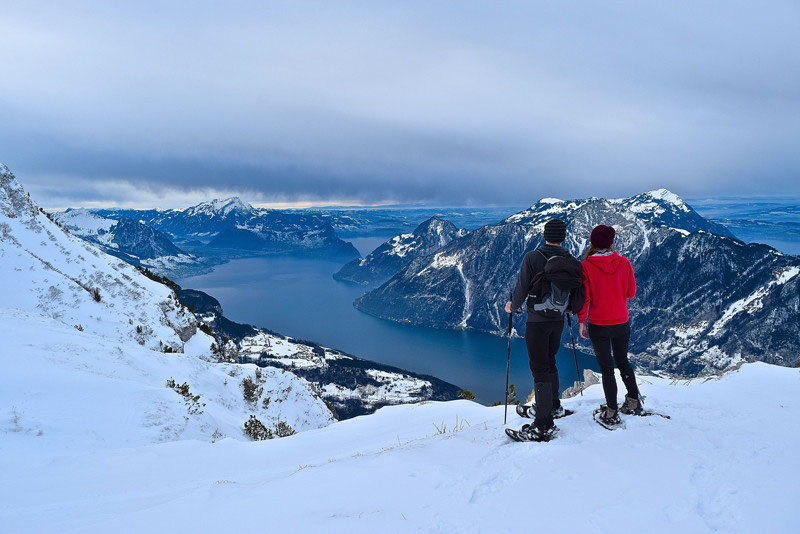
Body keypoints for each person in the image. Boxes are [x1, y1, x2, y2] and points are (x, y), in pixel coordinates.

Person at [504, 218, 582, 441]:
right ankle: (552, 407)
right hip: (558, 320)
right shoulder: (570, 260)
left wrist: (512, 306)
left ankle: (543, 425)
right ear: (563, 237)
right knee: (550, 362)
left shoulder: (533, 257)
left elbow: (521, 288)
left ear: (545, 235)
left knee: (539, 367)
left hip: (536, 321)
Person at [577, 224, 642, 426]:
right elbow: (631, 293)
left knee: (606, 369)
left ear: (593, 243)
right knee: (623, 361)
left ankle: (611, 411)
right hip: (621, 321)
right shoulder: (624, 263)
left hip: (598, 324)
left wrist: (581, 321)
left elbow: (585, 298)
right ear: (611, 242)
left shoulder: (586, 266)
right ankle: (633, 401)